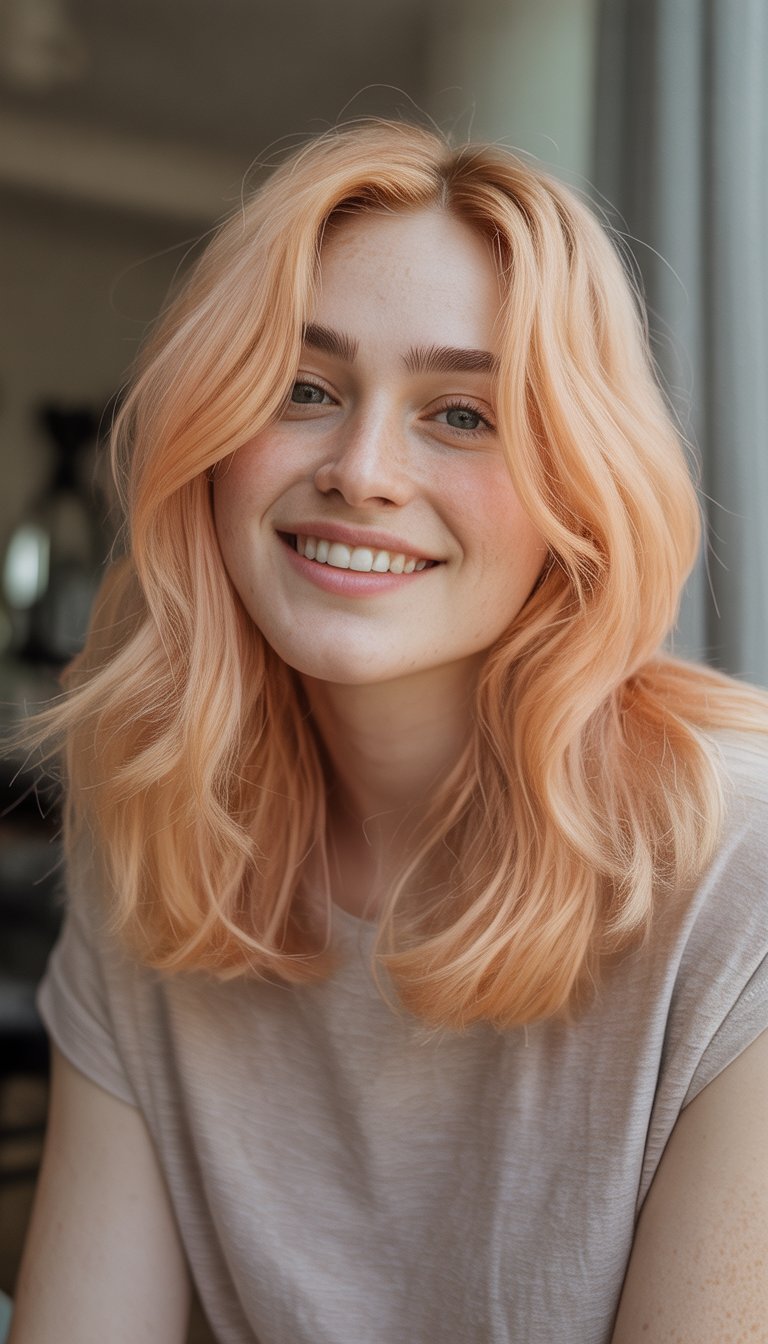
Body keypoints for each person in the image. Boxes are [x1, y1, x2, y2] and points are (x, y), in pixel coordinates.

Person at [6, 119, 768, 1344]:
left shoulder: (742, 875)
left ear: (579, 491)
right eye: (303, 391)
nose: (361, 470)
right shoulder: (165, 837)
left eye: (462, 414)